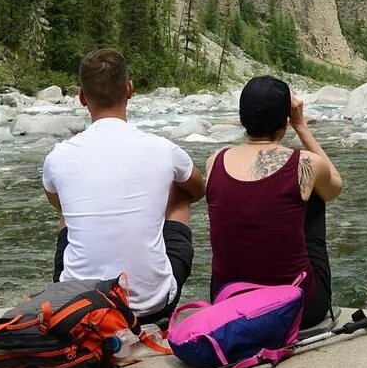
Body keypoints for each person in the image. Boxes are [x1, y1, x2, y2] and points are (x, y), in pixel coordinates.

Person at [39, 48, 205, 324]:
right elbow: (198, 191)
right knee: (178, 191)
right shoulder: (163, 149)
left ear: (82, 97)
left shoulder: (58, 156)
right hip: (151, 307)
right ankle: (148, 282)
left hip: (75, 306)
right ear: (130, 89)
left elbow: (58, 205)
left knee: (68, 210)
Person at [202, 74, 344, 329]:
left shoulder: (215, 160)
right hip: (297, 308)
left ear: (242, 119)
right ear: (285, 122)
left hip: (227, 302)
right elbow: (335, 187)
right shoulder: (305, 164)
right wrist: (302, 126)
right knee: (314, 191)